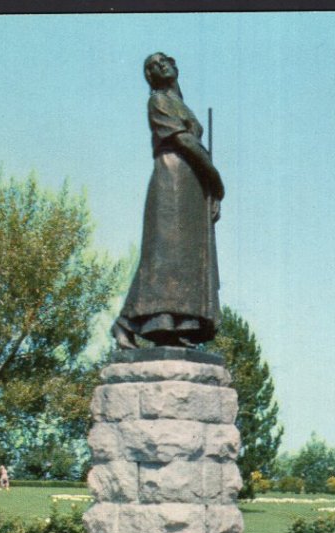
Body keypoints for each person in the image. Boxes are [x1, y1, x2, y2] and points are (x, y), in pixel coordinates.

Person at [112, 52, 225, 349]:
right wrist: (216, 180)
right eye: (150, 67)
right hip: (171, 179)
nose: (158, 67)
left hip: (191, 185)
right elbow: (184, 141)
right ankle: (125, 323)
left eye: (163, 61)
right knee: (163, 256)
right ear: (149, 77)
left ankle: (177, 326)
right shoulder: (158, 101)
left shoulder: (181, 104)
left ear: (175, 65)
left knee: (186, 259)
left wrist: (209, 191)